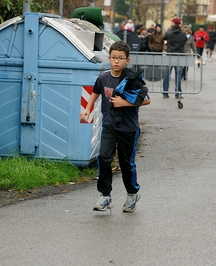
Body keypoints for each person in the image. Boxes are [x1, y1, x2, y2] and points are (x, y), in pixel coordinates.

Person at [80, 41, 151, 212]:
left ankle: (132, 193)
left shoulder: (132, 79)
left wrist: (124, 103)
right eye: (113, 58)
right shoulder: (104, 77)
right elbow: (95, 92)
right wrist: (87, 109)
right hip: (109, 125)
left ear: (127, 60)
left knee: (126, 164)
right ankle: (105, 196)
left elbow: (146, 99)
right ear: (109, 58)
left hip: (129, 128)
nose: (116, 62)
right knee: (104, 158)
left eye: (120, 58)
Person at [162, 17, 187, 99]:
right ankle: (178, 93)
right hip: (179, 56)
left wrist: (169, 30)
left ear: (173, 23)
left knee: (167, 74)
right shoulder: (183, 34)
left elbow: (164, 37)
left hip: (170, 55)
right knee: (178, 75)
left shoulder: (169, 33)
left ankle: (165, 92)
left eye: (172, 22)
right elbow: (185, 41)